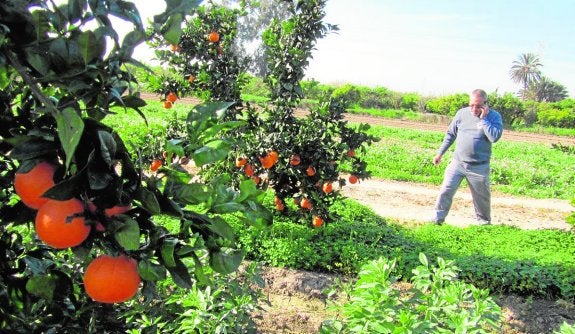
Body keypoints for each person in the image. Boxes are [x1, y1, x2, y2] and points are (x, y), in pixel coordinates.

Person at [431, 89, 503, 225]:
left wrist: (484, 119)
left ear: (485, 105)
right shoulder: (462, 114)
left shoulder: (494, 117)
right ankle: (437, 220)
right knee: (446, 190)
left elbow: (494, 137)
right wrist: (440, 153)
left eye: (478, 106)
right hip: (458, 163)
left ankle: (484, 223)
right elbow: (450, 134)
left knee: (482, 198)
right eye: (471, 105)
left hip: (479, 167)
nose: (474, 109)